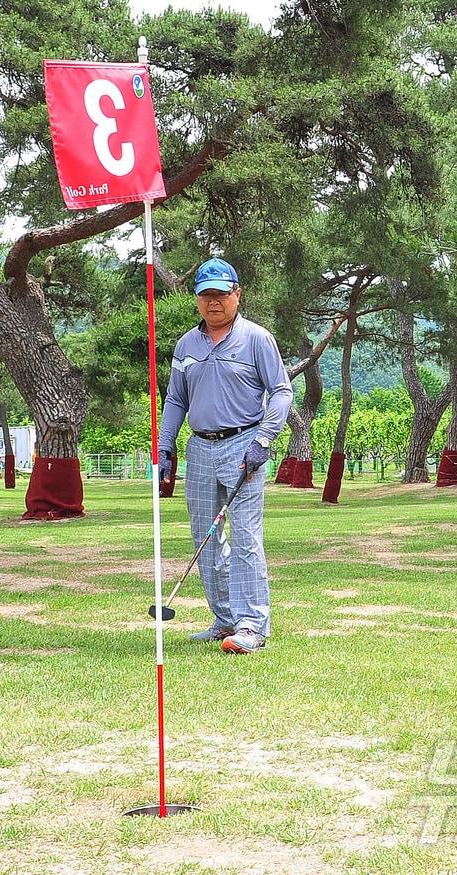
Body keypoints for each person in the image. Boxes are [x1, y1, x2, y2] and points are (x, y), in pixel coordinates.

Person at [159, 257, 293, 654]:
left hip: (244, 444)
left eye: (221, 294)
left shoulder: (257, 339)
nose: (213, 302)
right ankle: (225, 619)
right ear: (197, 299)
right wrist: (165, 445)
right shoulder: (186, 345)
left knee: (246, 536)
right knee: (206, 536)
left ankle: (251, 626)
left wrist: (264, 439)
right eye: (206, 295)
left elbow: (281, 391)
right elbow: (175, 399)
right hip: (200, 447)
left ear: (237, 295)